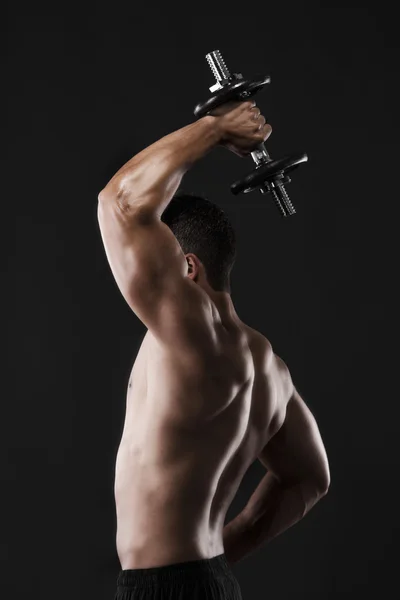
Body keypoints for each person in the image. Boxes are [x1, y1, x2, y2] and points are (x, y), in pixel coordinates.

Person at [97, 100, 330, 600]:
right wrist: (212, 564)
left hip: (159, 588)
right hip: (212, 581)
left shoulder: (191, 334)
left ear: (188, 267)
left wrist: (216, 128)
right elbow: (310, 479)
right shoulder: (270, 368)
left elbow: (119, 204)